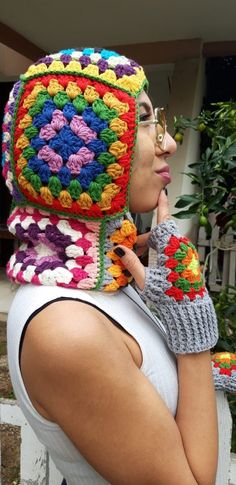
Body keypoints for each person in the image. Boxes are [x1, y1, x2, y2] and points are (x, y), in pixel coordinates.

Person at [2, 47, 235, 485]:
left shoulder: (106, 282)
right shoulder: (66, 330)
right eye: (146, 120)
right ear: (90, 154)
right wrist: (191, 318)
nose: (168, 141)